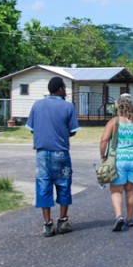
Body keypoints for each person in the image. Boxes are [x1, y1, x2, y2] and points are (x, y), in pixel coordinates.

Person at [26, 76, 80, 237]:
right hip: (61, 154)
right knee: (63, 185)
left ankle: (47, 224)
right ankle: (62, 221)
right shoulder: (68, 107)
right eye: (64, 88)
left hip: (42, 154)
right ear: (60, 89)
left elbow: (31, 128)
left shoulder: (37, 105)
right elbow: (73, 131)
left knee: (43, 186)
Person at [99, 93, 133, 232]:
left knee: (116, 190)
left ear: (119, 107)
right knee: (131, 190)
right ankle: (130, 219)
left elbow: (104, 140)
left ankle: (119, 217)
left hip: (119, 159)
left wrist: (103, 156)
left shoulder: (114, 122)